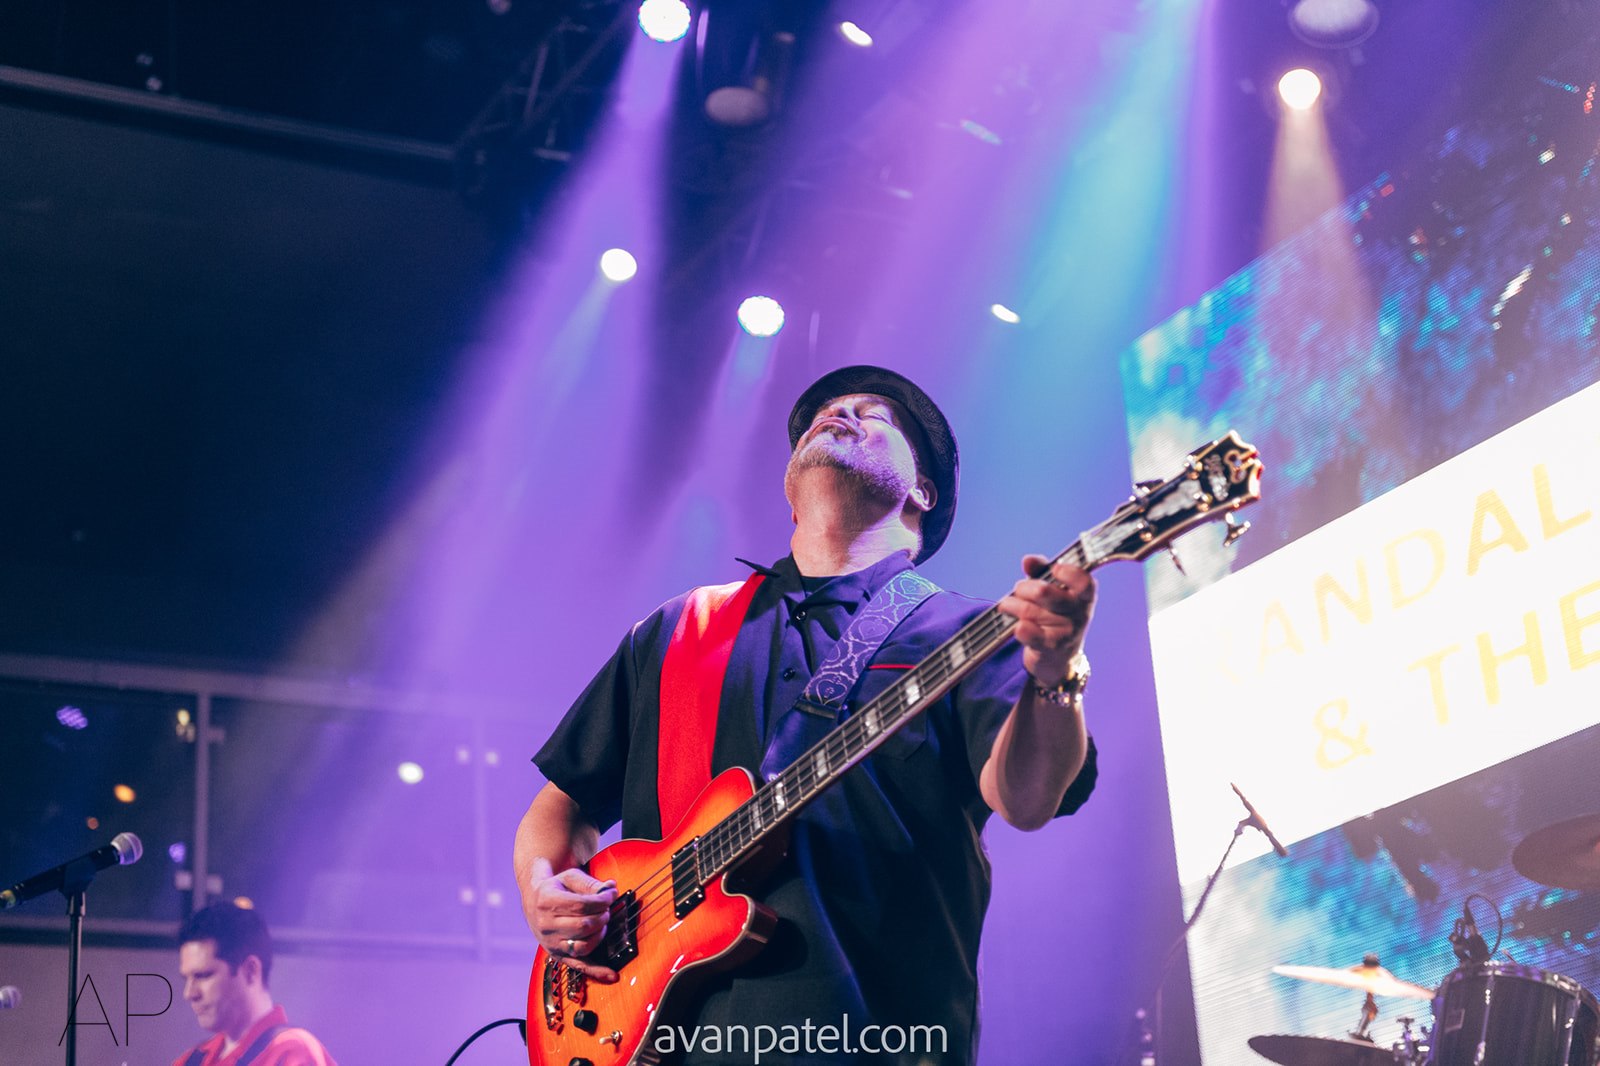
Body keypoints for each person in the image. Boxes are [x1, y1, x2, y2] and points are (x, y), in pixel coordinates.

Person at [515, 365, 1099, 1064]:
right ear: (790, 494)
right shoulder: (680, 629)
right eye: (828, 410)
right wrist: (544, 892)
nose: (840, 412)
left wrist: (1055, 672)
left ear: (922, 490)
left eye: (874, 413)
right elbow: (560, 809)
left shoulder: (971, 632)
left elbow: (1028, 800)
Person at [171, 902, 338, 1066]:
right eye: (187, 979)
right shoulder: (190, 1061)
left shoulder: (294, 1051)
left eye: (203, 975)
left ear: (250, 971)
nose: (189, 993)